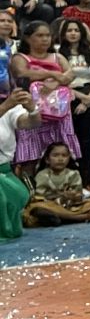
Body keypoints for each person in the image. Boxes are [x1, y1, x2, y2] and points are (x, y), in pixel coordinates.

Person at [9, 21, 79, 177]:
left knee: (60, 154)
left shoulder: (57, 56)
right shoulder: (20, 58)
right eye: (40, 35)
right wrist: (52, 74)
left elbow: (70, 75)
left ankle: (60, 187)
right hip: (31, 112)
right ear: (28, 38)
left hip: (59, 113)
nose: (45, 39)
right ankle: (29, 188)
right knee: (30, 158)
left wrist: (55, 83)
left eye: (48, 35)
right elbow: (22, 73)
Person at [56, 18, 90, 187]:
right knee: (71, 139)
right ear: (63, 33)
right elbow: (59, 81)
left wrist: (89, 99)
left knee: (88, 141)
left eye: (76, 30)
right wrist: (80, 97)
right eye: (69, 30)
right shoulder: (58, 53)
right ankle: (73, 178)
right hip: (68, 97)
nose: (73, 33)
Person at [23, 142, 90, 226]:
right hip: (50, 205)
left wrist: (73, 196)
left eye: (64, 155)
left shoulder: (74, 174)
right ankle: (84, 217)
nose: (60, 159)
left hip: (69, 206)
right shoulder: (42, 175)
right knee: (37, 207)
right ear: (47, 159)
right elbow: (39, 196)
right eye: (55, 155)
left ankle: (61, 218)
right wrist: (60, 196)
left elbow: (78, 195)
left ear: (69, 158)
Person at [0, 90, 41, 239]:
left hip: (4, 170)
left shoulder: (7, 105)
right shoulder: (6, 105)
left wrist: (32, 109)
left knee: (21, 195)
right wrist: (5, 106)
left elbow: (32, 123)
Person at [0, 11, 16, 97]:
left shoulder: (18, 45)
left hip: (9, 89)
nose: (6, 24)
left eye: (10, 21)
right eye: (2, 21)